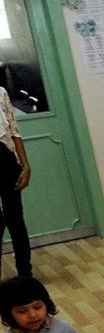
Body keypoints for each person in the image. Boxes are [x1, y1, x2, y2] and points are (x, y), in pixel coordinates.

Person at [0, 87, 32, 280]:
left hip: (5, 159)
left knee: (16, 221)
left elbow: (14, 130)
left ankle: (25, 274)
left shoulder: (1, 92)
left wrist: (25, 165)